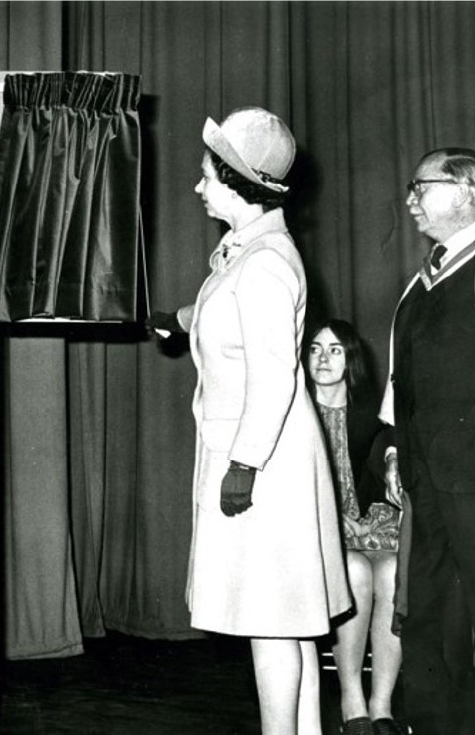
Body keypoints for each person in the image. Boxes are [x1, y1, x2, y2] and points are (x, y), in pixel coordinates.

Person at [147, 107, 351, 735]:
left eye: (207, 175)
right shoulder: (250, 251)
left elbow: (273, 376)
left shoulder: (263, 262)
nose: (199, 186)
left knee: (268, 621)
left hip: (263, 461)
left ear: (238, 182)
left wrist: (243, 466)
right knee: (283, 619)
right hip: (262, 453)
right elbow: (232, 317)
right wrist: (180, 318)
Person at [380, 147, 475, 735]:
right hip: (426, 483)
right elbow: (399, 379)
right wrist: (391, 447)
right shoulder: (420, 283)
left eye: (421, 186)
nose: (410, 198)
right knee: (432, 621)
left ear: (466, 192)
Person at [305, 319, 406, 735]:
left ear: (350, 360)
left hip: (369, 519)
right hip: (316, 525)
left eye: (334, 350)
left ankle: (382, 708)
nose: (323, 358)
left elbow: (389, 437)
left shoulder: (367, 409)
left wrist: (392, 458)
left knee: (394, 572)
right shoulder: (295, 408)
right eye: (314, 349)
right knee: (356, 574)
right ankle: (352, 701)